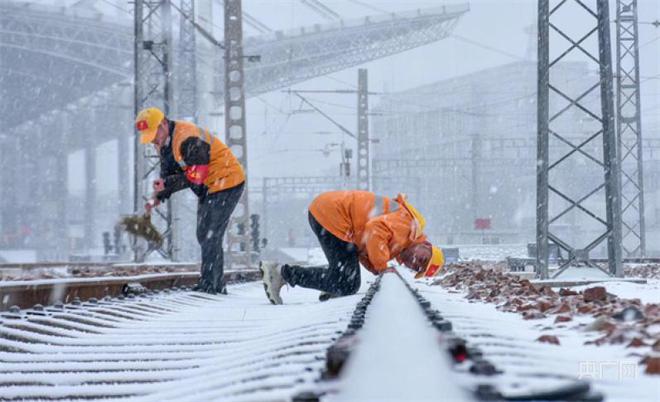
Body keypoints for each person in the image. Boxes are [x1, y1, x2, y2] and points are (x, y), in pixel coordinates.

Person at [260, 190, 445, 304]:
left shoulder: (400, 241)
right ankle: (281, 273)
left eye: (417, 268)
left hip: (329, 213)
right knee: (348, 283)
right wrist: (381, 267)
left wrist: (377, 269)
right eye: (422, 259)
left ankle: (332, 282)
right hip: (334, 215)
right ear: (426, 245)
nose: (414, 263)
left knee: (346, 278)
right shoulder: (407, 229)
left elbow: (364, 249)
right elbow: (374, 229)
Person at [135, 107, 245, 294]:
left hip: (227, 181)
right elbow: (168, 174)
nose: (153, 140)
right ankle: (213, 283)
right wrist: (157, 198)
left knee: (210, 233)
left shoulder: (188, 138)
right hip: (211, 187)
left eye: (154, 135)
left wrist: (167, 184)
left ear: (163, 125)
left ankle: (211, 285)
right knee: (205, 233)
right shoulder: (165, 143)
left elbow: (196, 175)